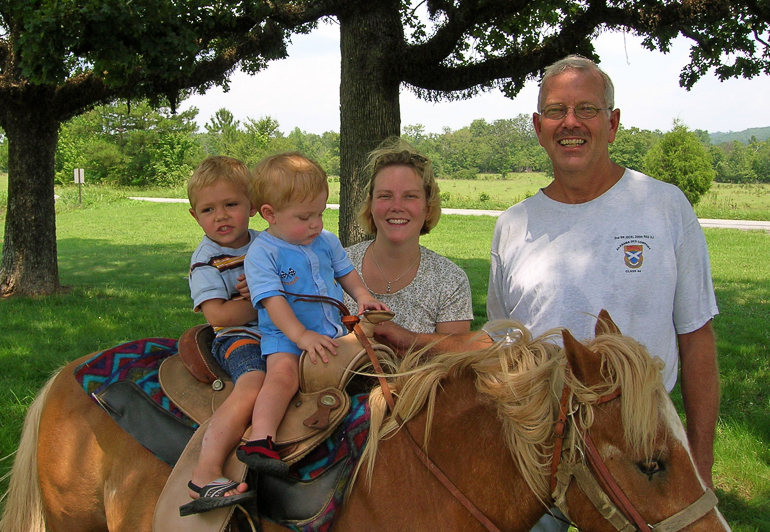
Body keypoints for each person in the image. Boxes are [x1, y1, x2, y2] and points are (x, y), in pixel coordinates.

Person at [378, 55, 720, 513]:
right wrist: (409, 339)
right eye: (557, 111)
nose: (570, 123)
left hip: (636, 453)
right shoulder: (514, 225)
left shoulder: (664, 207)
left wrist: (699, 460)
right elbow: (500, 343)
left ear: (613, 123)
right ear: (538, 127)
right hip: (532, 453)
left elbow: (696, 338)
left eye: (587, 109)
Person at [240, 152, 389, 475]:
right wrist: (300, 336)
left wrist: (364, 296)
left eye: (320, 214)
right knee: (283, 377)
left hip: (332, 332)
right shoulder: (263, 254)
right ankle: (260, 438)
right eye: (305, 217)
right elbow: (272, 301)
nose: (316, 224)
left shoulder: (326, 241)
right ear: (270, 214)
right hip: (286, 338)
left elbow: (346, 273)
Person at [181, 155, 261, 516]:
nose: (222, 216)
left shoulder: (267, 244)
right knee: (254, 382)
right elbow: (218, 316)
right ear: (195, 216)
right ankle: (206, 471)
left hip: (281, 329)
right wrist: (267, 300)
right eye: (209, 209)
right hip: (238, 334)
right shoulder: (206, 261)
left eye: (231, 204)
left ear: (253, 207)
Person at [344, 137, 473, 334]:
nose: (396, 207)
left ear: (427, 208)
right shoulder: (336, 266)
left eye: (410, 196)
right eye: (385, 196)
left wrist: (406, 340)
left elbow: (454, 357)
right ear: (370, 205)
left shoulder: (450, 281)